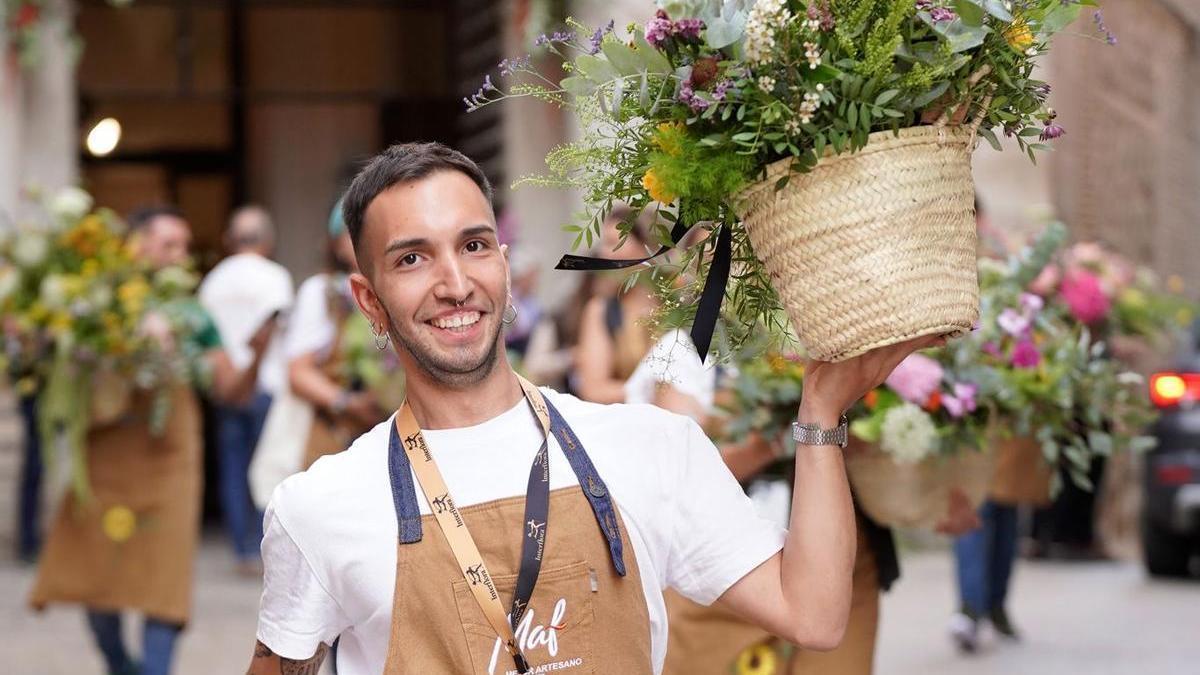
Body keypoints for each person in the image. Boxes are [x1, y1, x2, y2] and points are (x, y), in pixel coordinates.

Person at [246, 142, 944, 674]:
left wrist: (820, 414)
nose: (455, 282)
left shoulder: (650, 447)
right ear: (369, 301)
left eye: (473, 245)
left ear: (503, 262)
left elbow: (814, 613)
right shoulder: (320, 506)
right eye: (411, 259)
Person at [29, 205, 276, 675]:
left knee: (163, 583)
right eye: (170, 245)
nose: (182, 256)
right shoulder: (94, 303)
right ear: (136, 244)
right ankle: (120, 662)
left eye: (185, 247)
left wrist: (259, 352)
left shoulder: (193, 314)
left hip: (169, 463)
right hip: (104, 459)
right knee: (95, 576)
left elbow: (229, 391)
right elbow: (55, 366)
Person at [199, 205, 294, 574]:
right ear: (268, 241)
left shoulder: (213, 281)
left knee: (234, 468)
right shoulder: (275, 277)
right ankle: (267, 549)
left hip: (225, 387)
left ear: (228, 240)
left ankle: (242, 549)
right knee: (268, 468)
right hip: (266, 385)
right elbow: (272, 330)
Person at [283, 199, 387, 470]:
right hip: (338, 439)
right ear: (337, 243)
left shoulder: (397, 287)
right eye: (352, 233)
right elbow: (298, 372)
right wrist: (347, 403)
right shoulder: (322, 292)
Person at [571, 208, 659, 403]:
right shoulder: (602, 311)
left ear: (648, 247)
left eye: (613, 243)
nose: (604, 253)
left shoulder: (682, 304)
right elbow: (593, 389)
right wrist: (656, 394)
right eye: (604, 244)